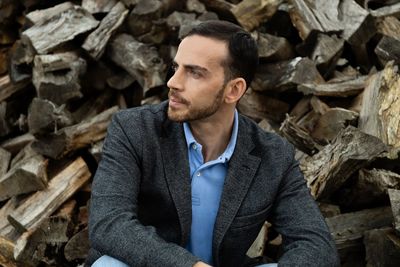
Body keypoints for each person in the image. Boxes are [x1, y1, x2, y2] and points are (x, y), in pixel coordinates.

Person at [86, 20, 340, 267]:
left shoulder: (272, 155)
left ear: (234, 90)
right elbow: (109, 223)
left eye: (194, 72)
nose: (173, 82)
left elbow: (316, 245)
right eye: (176, 68)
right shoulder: (135, 130)